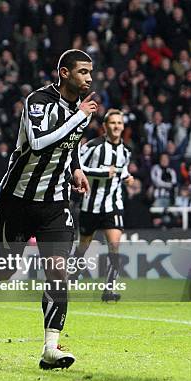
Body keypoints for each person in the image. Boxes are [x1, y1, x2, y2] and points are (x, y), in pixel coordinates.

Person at [0, 49, 96, 370]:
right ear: (64, 73)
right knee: (6, 267)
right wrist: (79, 117)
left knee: (57, 270)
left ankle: (51, 347)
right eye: (83, 72)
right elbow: (37, 141)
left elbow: (69, 143)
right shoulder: (38, 101)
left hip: (55, 202)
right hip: (17, 200)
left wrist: (76, 168)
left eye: (90, 72)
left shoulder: (80, 107)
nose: (89, 78)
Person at [72, 109, 134, 302]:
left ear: (123, 127)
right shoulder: (93, 146)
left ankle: (109, 290)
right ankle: (69, 277)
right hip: (90, 205)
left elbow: (121, 170)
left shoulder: (126, 151)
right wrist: (103, 172)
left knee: (114, 246)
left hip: (113, 204)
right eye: (113, 123)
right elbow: (78, 168)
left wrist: (127, 178)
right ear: (105, 127)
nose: (116, 126)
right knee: (83, 246)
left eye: (119, 123)